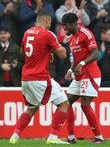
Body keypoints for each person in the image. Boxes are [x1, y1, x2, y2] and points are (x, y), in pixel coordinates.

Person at [9, 11, 70, 145]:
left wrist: (46, 52)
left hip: (26, 78)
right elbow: (64, 55)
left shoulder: (27, 32)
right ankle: (53, 137)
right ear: (47, 21)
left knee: (31, 108)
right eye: (50, 22)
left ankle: (14, 136)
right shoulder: (48, 34)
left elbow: (22, 52)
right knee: (64, 104)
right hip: (40, 77)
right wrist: (55, 48)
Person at [62, 13, 105, 144]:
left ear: (74, 23)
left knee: (85, 105)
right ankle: (70, 137)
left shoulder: (86, 33)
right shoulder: (71, 39)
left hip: (90, 74)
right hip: (79, 75)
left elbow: (95, 53)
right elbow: (76, 59)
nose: (64, 28)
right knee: (66, 103)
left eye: (66, 26)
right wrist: (70, 70)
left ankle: (99, 137)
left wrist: (82, 64)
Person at [55, 0, 90, 85]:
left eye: (72, 0)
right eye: (68, 0)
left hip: (77, 42)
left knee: (76, 60)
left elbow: (87, 22)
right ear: (64, 2)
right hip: (62, 43)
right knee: (61, 63)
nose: (70, 2)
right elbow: (62, 18)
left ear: (75, 2)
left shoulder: (79, 10)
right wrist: (73, 9)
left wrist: (81, 10)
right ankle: (61, 80)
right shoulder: (60, 10)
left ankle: (79, 79)